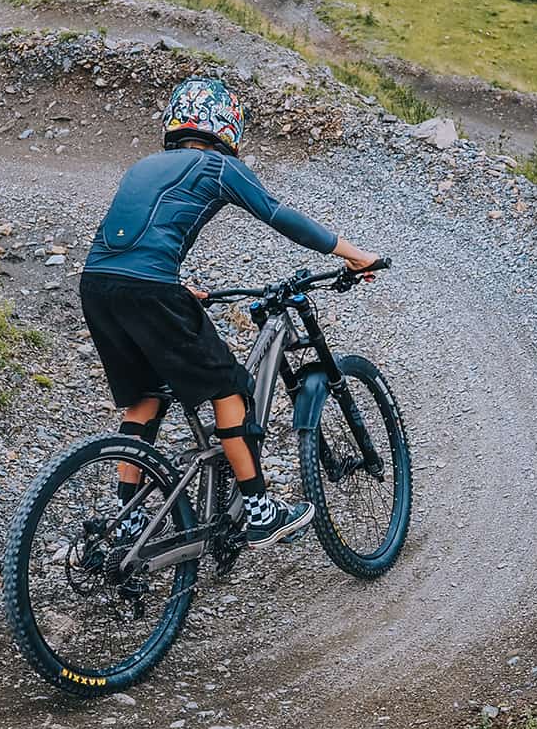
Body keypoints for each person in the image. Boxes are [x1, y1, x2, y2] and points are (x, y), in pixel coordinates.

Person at [79, 76, 382, 550]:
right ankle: (260, 510)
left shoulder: (145, 165)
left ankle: (129, 518)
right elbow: (279, 215)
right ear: (227, 125)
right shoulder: (218, 165)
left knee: (146, 396)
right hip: (152, 289)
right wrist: (351, 253)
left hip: (98, 286)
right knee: (229, 386)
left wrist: (174, 287)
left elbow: (135, 238)